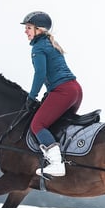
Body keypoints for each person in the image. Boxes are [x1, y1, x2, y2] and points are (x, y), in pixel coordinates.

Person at [21, 11, 83, 177]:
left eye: (28, 28)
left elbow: (40, 74)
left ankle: (57, 164)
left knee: (37, 125)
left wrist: (31, 97)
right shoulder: (49, 44)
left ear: (39, 30)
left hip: (63, 91)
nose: (25, 31)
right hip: (75, 90)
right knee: (57, 125)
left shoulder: (38, 47)